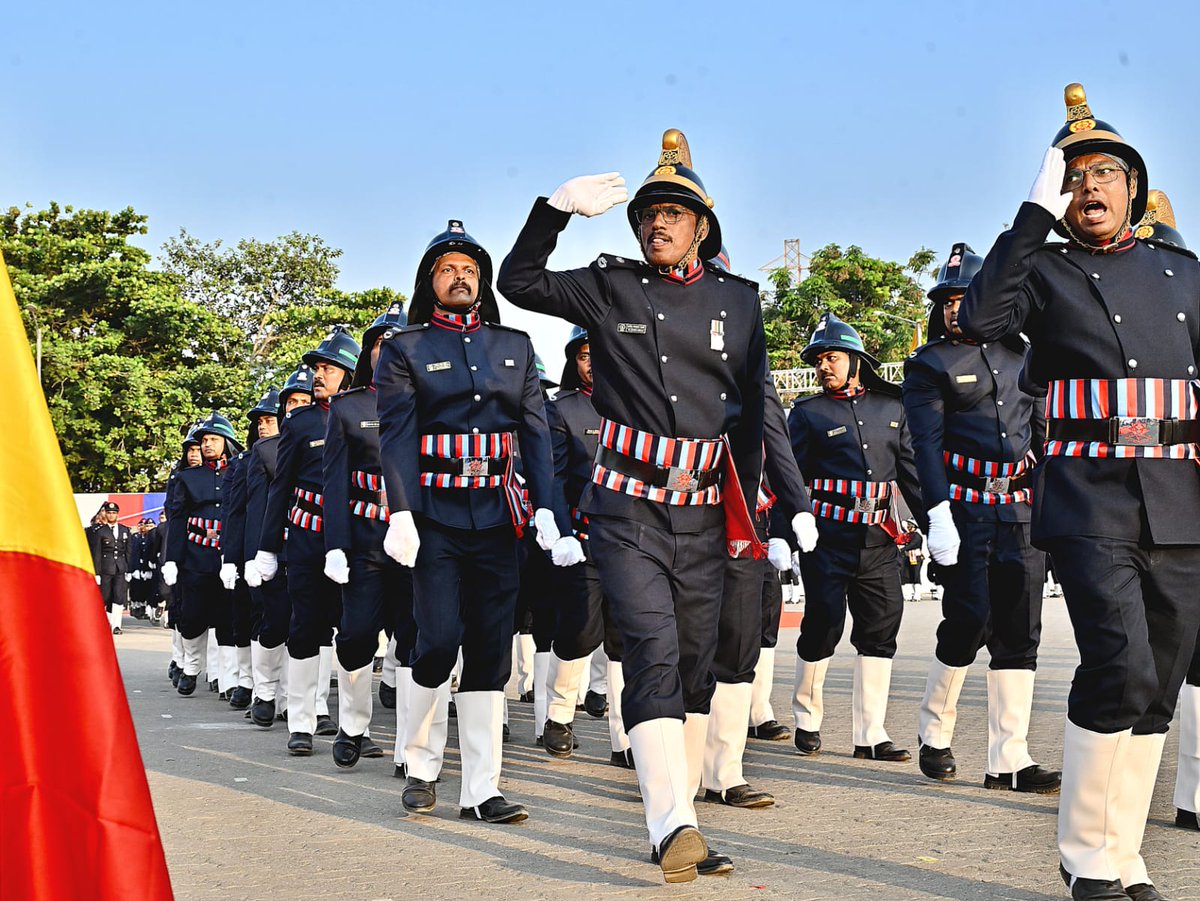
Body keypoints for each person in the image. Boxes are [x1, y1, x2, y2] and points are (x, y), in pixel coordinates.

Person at [499, 129, 774, 882]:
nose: (658, 222)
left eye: (674, 212)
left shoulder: (740, 301)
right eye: (649, 212)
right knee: (650, 649)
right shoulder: (608, 285)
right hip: (626, 508)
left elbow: (751, 416)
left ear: (702, 227)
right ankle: (673, 822)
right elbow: (519, 282)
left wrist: (753, 515)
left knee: (693, 663)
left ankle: (676, 811)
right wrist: (553, 211)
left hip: (704, 510)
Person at [958, 83, 1200, 901]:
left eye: (1105, 172)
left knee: (1160, 684)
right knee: (1120, 663)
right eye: (1073, 175)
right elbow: (983, 317)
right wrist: (1029, 219)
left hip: (1180, 496)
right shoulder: (1041, 273)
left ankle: (1124, 854)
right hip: (1090, 494)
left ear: (1133, 186)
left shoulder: (1181, 271)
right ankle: (1083, 854)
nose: (1089, 186)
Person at [376, 219, 574, 824]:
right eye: (446, 269)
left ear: (483, 282)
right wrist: (402, 512)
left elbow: (536, 435)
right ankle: (421, 763)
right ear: (429, 282)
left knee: (490, 652)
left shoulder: (514, 346)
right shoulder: (407, 350)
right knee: (435, 640)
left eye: (469, 269)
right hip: (433, 519)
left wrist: (547, 510)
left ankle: (481, 789)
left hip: (495, 519)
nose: (459, 277)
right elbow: (398, 436)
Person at [904, 241, 1059, 794]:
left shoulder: (1025, 355)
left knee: (1020, 631)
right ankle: (934, 732)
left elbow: (1044, 435)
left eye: (963, 297)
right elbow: (924, 445)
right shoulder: (929, 364)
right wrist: (937, 513)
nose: (953, 308)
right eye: (945, 300)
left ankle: (1008, 759)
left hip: (1019, 507)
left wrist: (1053, 507)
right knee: (969, 619)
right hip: (965, 509)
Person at [787, 312, 923, 764]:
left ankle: (871, 733)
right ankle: (807, 718)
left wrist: (937, 524)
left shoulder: (893, 409)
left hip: (880, 540)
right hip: (827, 540)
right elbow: (790, 478)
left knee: (881, 629)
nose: (823, 366)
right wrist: (787, 531)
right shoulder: (807, 414)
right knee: (823, 624)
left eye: (832, 357)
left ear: (857, 360)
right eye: (819, 359)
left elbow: (912, 476)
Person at [255, 328, 360, 756]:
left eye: (328, 369)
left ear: (350, 374)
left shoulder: (368, 411)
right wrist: (266, 547)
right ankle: (302, 721)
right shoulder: (299, 423)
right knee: (305, 627)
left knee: (354, 631)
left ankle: (353, 726)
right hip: (308, 536)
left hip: (356, 535)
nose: (319, 375)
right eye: (317, 369)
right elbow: (280, 488)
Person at [322, 303, 411, 768]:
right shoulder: (348, 407)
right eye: (381, 344)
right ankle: (354, 724)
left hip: (418, 541)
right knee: (357, 635)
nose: (389, 352)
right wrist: (335, 544)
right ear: (370, 352)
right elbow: (333, 482)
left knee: (417, 639)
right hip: (366, 540)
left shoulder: (433, 404)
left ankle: (412, 749)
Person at [241, 367, 313, 726]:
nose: (298, 407)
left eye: (305, 400)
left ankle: (303, 702)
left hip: (312, 543)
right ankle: (265, 690)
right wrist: (257, 552)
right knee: (274, 623)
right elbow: (256, 506)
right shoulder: (266, 450)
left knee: (309, 624)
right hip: (276, 546)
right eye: (292, 401)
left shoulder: (328, 438)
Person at [161, 412, 242, 695]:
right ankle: (192, 667)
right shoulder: (187, 477)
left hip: (229, 556)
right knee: (193, 617)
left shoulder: (238, 470)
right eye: (204, 440)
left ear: (227, 442)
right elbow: (178, 519)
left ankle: (229, 680)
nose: (207, 444)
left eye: (213, 439)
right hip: (196, 557)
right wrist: (172, 559)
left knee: (229, 619)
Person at [89, 501, 133, 634]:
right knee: (106, 596)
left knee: (119, 596)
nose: (111, 515)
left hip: (120, 568)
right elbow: (97, 552)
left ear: (117, 514)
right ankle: (107, 623)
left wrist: (129, 569)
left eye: (114, 513)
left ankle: (116, 625)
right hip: (105, 568)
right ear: (106, 514)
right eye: (109, 513)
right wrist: (96, 573)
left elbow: (129, 551)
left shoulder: (125, 530)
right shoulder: (100, 531)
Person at [898, 521, 923, 602]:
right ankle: (909, 594)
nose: (908, 527)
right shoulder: (908, 535)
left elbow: (912, 545)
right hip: (908, 557)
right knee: (907, 575)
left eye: (910, 525)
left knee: (916, 575)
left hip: (916, 557)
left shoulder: (917, 536)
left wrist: (902, 549)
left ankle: (917, 594)